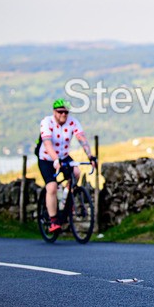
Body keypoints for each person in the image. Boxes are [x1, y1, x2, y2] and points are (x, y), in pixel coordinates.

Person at [38, 98, 97, 233]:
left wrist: (90, 156)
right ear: (54, 112)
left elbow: (82, 139)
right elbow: (47, 143)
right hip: (47, 158)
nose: (64, 115)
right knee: (52, 187)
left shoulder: (72, 122)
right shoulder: (47, 122)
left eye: (66, 112)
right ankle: (53, 220)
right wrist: (55, 160)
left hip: (64, 157)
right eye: (60, 112)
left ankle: (67, 199)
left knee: (76, 173)